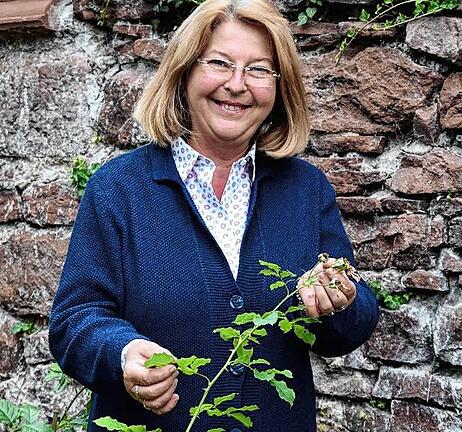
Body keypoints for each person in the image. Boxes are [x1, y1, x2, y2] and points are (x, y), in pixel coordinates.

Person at [48, 0, 379, 430]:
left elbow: (352, 325)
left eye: (259, 69)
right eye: (219, 63)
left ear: (280, 89)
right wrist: (123, 353)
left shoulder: (305, 190)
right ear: (184, 73)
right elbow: (75, 319)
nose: (237, 85)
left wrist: (342, 303)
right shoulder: (118, 189)